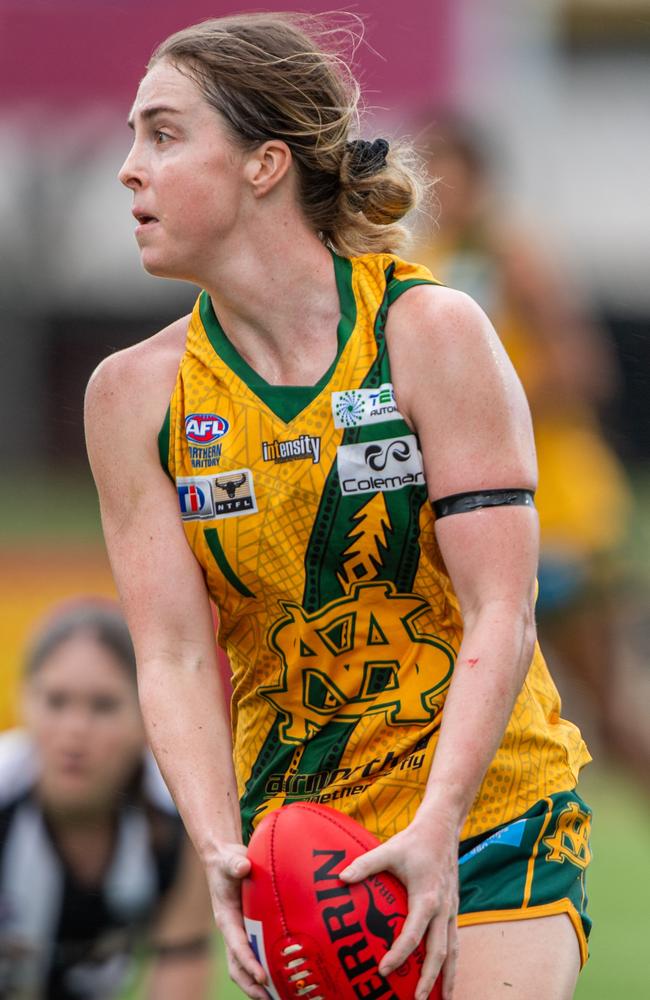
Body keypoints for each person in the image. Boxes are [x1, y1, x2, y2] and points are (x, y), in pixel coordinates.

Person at [84, 14, 592, 1000]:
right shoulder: (131, 396)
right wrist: (220, 851)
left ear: (263, 164)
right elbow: (176, 655)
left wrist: (439, 823)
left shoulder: (428, 330)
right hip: (303, 848)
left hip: (489, 814)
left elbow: (501, 605)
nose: (127, 169)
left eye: (163, 133)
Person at [411, 115, 647, 787]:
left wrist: (484, 412)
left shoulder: (512, 251)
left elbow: (584, 366)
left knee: (610, 717)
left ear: (479, 176)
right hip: (469, 507)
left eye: (445, 170)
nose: (433, 186)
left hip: (560, 511)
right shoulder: (417, 252)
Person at [0, 600, 214, 999]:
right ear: (24, 701)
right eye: (56, 701)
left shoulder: (184, 821)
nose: (75, 731)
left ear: (148, 716)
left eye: (104, 706)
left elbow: (178, 980)